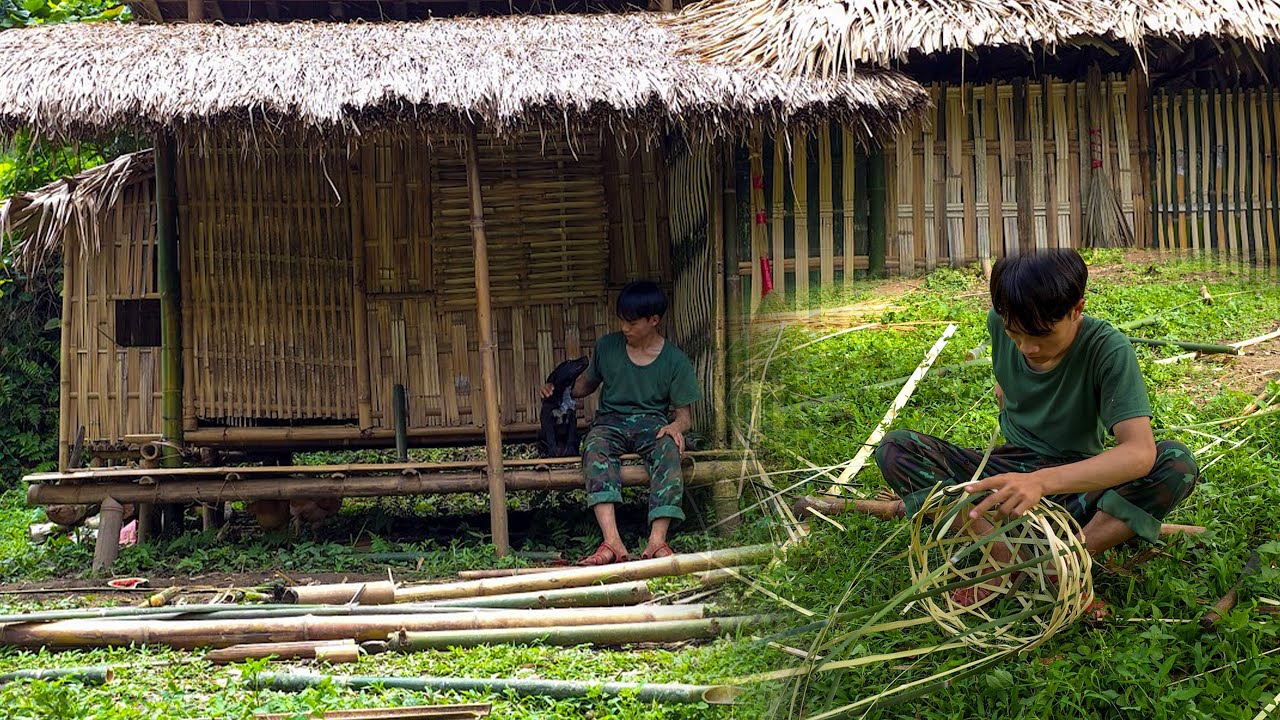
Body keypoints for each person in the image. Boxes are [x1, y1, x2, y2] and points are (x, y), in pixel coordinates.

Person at [840, 250, 1199, 608]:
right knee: (897, 449)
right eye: (1015, 333)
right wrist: (1015, 479)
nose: (1027, 347)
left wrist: (1041, 482)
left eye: (1041, 334)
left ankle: (1066, 562)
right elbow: (1005, 389)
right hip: (1010, 471)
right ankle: (1000, 555)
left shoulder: (1108, 350)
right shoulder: (998, 324)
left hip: (1075, 486)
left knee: (1176, 462)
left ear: (1077, 309)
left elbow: (1138, 453)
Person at [541, 280, 702, 566]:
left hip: (652, 423)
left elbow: (684, 415)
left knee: (669, 448)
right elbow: (584, 386)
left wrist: (676, 428)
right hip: (609, 423)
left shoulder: (675, 360)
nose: (624, 328)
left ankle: (657, 541)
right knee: (594, 447)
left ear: (654, 320)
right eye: (621, 321)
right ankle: (612, 541)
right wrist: (558, 388)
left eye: (632, 322)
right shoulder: (607, 347)